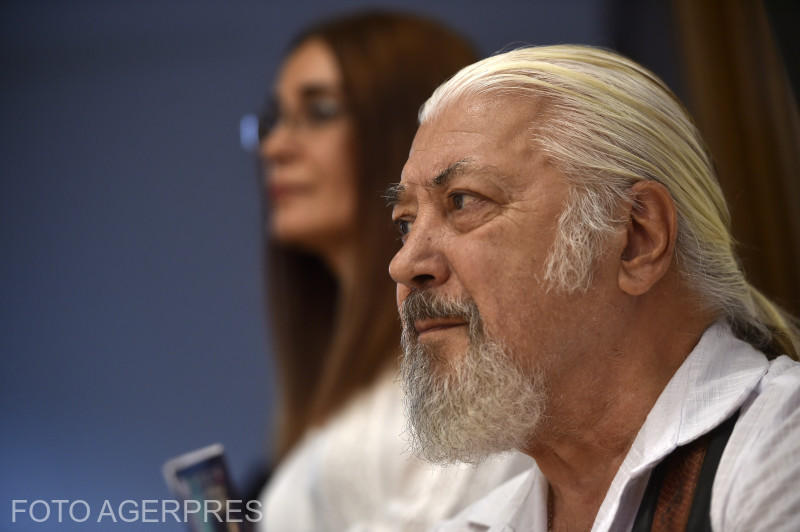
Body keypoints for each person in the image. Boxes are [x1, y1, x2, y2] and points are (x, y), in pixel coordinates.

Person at [387, 45, 800, 531]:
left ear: (637, 239)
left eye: (463, 201)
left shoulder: (778, 449)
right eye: (405, 223)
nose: (404, 264)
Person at [256, 11, 533, 531]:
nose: (274, 147)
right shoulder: (349, 388)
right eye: (274, 120)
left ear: (410, 128)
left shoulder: (475, 382)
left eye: (318, 111)